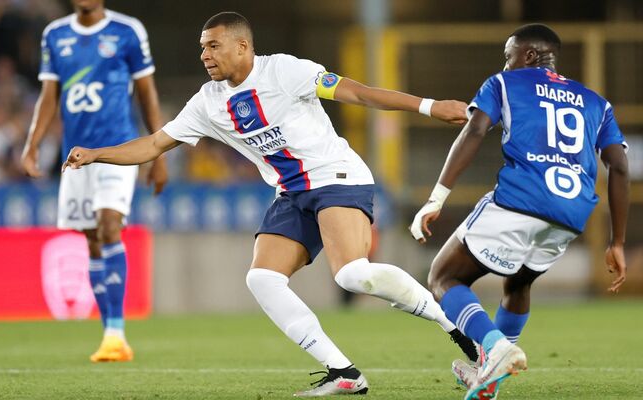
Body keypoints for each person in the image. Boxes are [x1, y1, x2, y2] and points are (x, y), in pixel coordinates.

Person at [63, 11, 476, 396]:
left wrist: (430, 106)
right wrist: (96, 153)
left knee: (351, 275)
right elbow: (155, 143)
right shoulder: (207, 102)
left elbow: (359, 93)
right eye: (202, 47)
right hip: (291, 194)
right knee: (261, 279)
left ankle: (451, 323)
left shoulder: (285, 70)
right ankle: (343, 373)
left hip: (336, 177)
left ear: (243, 47)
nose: (204, 54)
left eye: (213, 45)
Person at [410, 23, 629, 400]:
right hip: (571, 213)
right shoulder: (597, 102)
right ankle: (488, 380)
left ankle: (496, 348)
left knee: (443, 278)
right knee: (519, 283)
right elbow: (620, 167)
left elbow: (474, 131)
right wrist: (618, 241)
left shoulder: (503, 83)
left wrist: (436, 197)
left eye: (508, 56)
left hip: (522, 200)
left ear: (527, 55)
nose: (505, 63)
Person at [21, 0, 168, 363]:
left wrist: (158, 153)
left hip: (117, 149)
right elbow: (49, 95)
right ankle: (109, 335)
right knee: (92, 240)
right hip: (76, 155)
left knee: (108, 226)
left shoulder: (128, 30)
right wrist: (33, 143)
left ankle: (116, 333)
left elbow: (147, 91)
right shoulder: (55, 35)